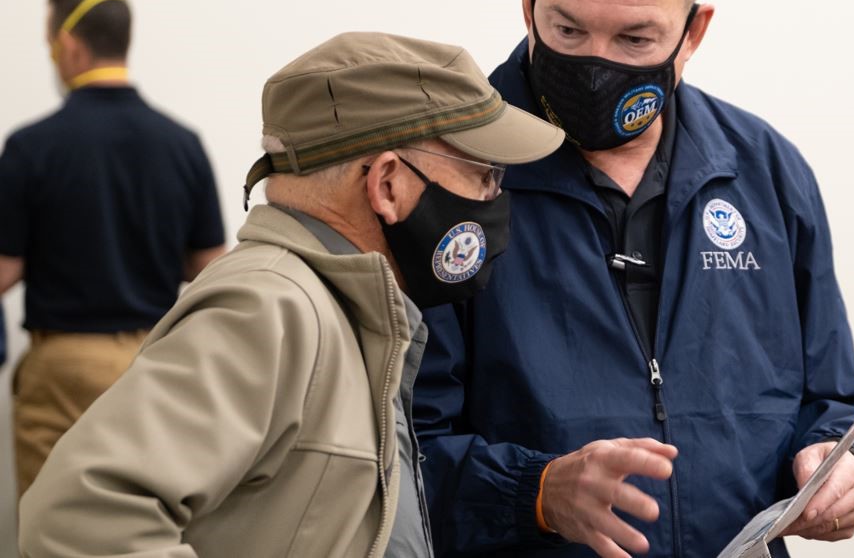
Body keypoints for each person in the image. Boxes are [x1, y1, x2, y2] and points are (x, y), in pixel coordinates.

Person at [414, 0, 854, 558]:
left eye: (635, 40)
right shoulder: (444, 176)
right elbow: (390, 460)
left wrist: (844, 463)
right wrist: (538, 493)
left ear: (693, 31)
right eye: (567, 29)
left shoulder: (766, 170)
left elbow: (834, 398)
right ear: (527, 3)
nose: (595, 64)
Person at [19, 31, 565, 557]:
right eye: (484, 174)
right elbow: (80, 514)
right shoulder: (270, 309)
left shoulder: (344, 314)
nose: (495, 196)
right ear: (389, 184)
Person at [0, 0, 226, 497]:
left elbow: (5, 270)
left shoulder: (31, 147)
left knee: (52, 528)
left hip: (61, 370)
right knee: (141, 525)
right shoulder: (182, 145)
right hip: (152, 363)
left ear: (70, 46)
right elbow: (212, 268)